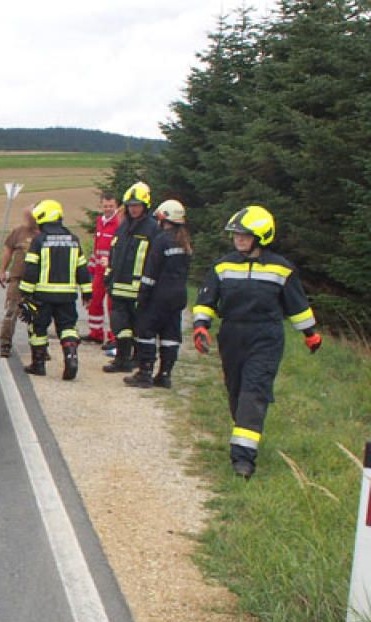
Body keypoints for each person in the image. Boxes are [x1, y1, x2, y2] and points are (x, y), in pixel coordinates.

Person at [191, 205, 321, 479]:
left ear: (261, 237)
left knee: (254, 391)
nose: (238, 239)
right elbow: (206, 301)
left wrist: (310, 333)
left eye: (244, 235)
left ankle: (243, 460)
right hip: (232, 335)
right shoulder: (222, 265)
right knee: (237, 392)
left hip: (266, 336)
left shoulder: (281, 269)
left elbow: (297, 305)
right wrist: (201, 327)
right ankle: (244, 436)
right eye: (236, 234)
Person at [18, 199, 92, 380]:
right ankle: (71, 357)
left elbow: (31, 269)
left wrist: (24, 294)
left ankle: (39, 364)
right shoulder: (74, 240)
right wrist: (87, 292)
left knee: (38, 329)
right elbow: (82, 268)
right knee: (67, 327)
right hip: (67, 296)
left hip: (42, 296)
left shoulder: (39, 241)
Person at [125, 199, 191, 389]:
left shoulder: (161, 239)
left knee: (145, 332)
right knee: (170, 335)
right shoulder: (184, 242)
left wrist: (142, 296)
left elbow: (151, 271)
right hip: (178, 296)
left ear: (163, 219)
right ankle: (165, 374)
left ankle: (144, 373)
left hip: (158, 296)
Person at [103, 182, 159, 373]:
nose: (133, 209)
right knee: (120, 326)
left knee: (139, 327)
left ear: (145, 206)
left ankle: (138, 359)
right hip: (118, 286)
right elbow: (114, 252)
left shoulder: (152, 229)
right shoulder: (124, 226)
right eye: (130, 205)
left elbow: (155, 260)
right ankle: (121, 359)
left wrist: (149, 286)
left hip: (139, 289)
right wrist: (108, 275)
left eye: (137, 205)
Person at [0, 205, 39, 357]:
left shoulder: (44, 232)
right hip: (18, 279)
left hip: (37, 282)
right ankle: (5, 344)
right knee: (11, 312)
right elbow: (8, 250)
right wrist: (2, 270)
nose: (28, 219)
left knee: (38, 316)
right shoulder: (18, 232)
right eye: (27, 216)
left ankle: (39, 348)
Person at [85, 193, 122, 345]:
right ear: (101, 206)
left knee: (112, 305)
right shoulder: (100, 221)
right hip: (99, 270)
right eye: (105, 206)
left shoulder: (119, 223)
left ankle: (114, 337)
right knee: (94, 300)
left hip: (113, 271)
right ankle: (96, 333)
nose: (108, 209)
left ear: (116, 206)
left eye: (111, 206)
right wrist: (91, 269)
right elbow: (97, 247)